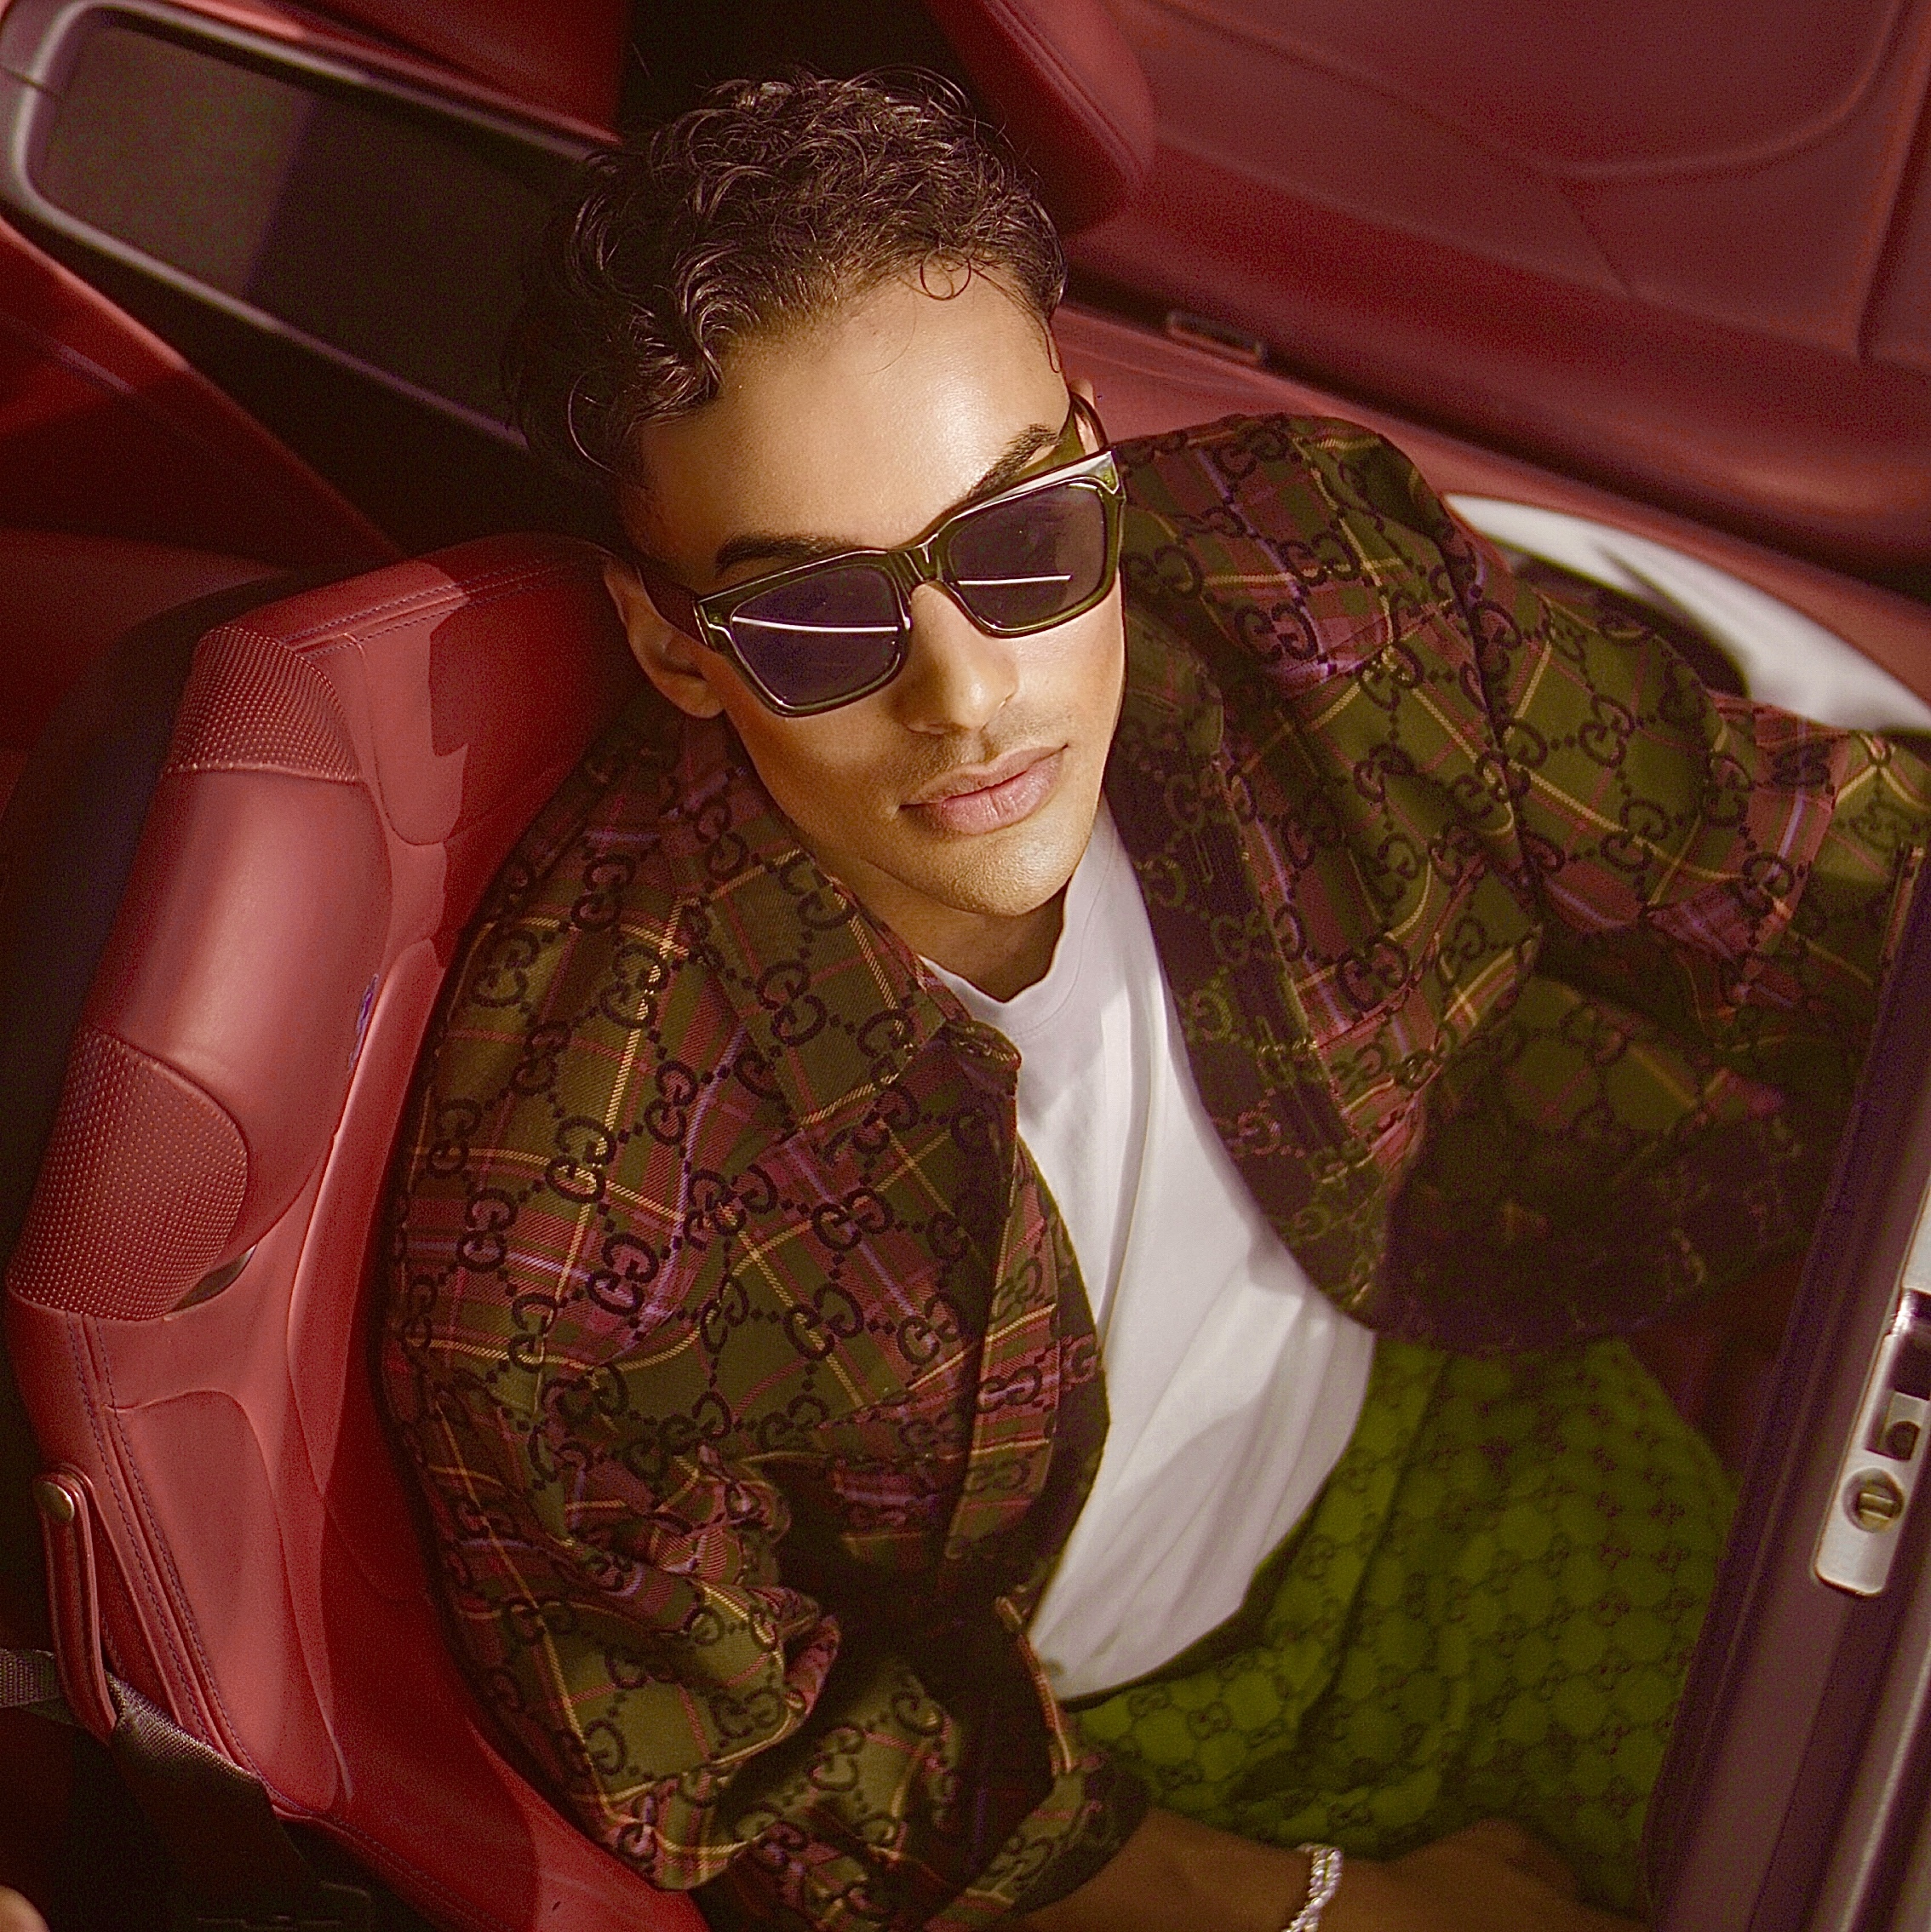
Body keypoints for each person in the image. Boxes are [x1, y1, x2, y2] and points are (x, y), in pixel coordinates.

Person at [379, 72, 1929, 1932]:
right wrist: (1324, 1908)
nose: (968, 696)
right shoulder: (575, 1230)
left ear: (1096, 458)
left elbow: (1790, 865)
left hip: (1458, 1423)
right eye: (820, 623)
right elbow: (761, 1769)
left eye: (1022, 546)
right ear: (671, 645)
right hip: (1089, 1758)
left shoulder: (1311, 588)